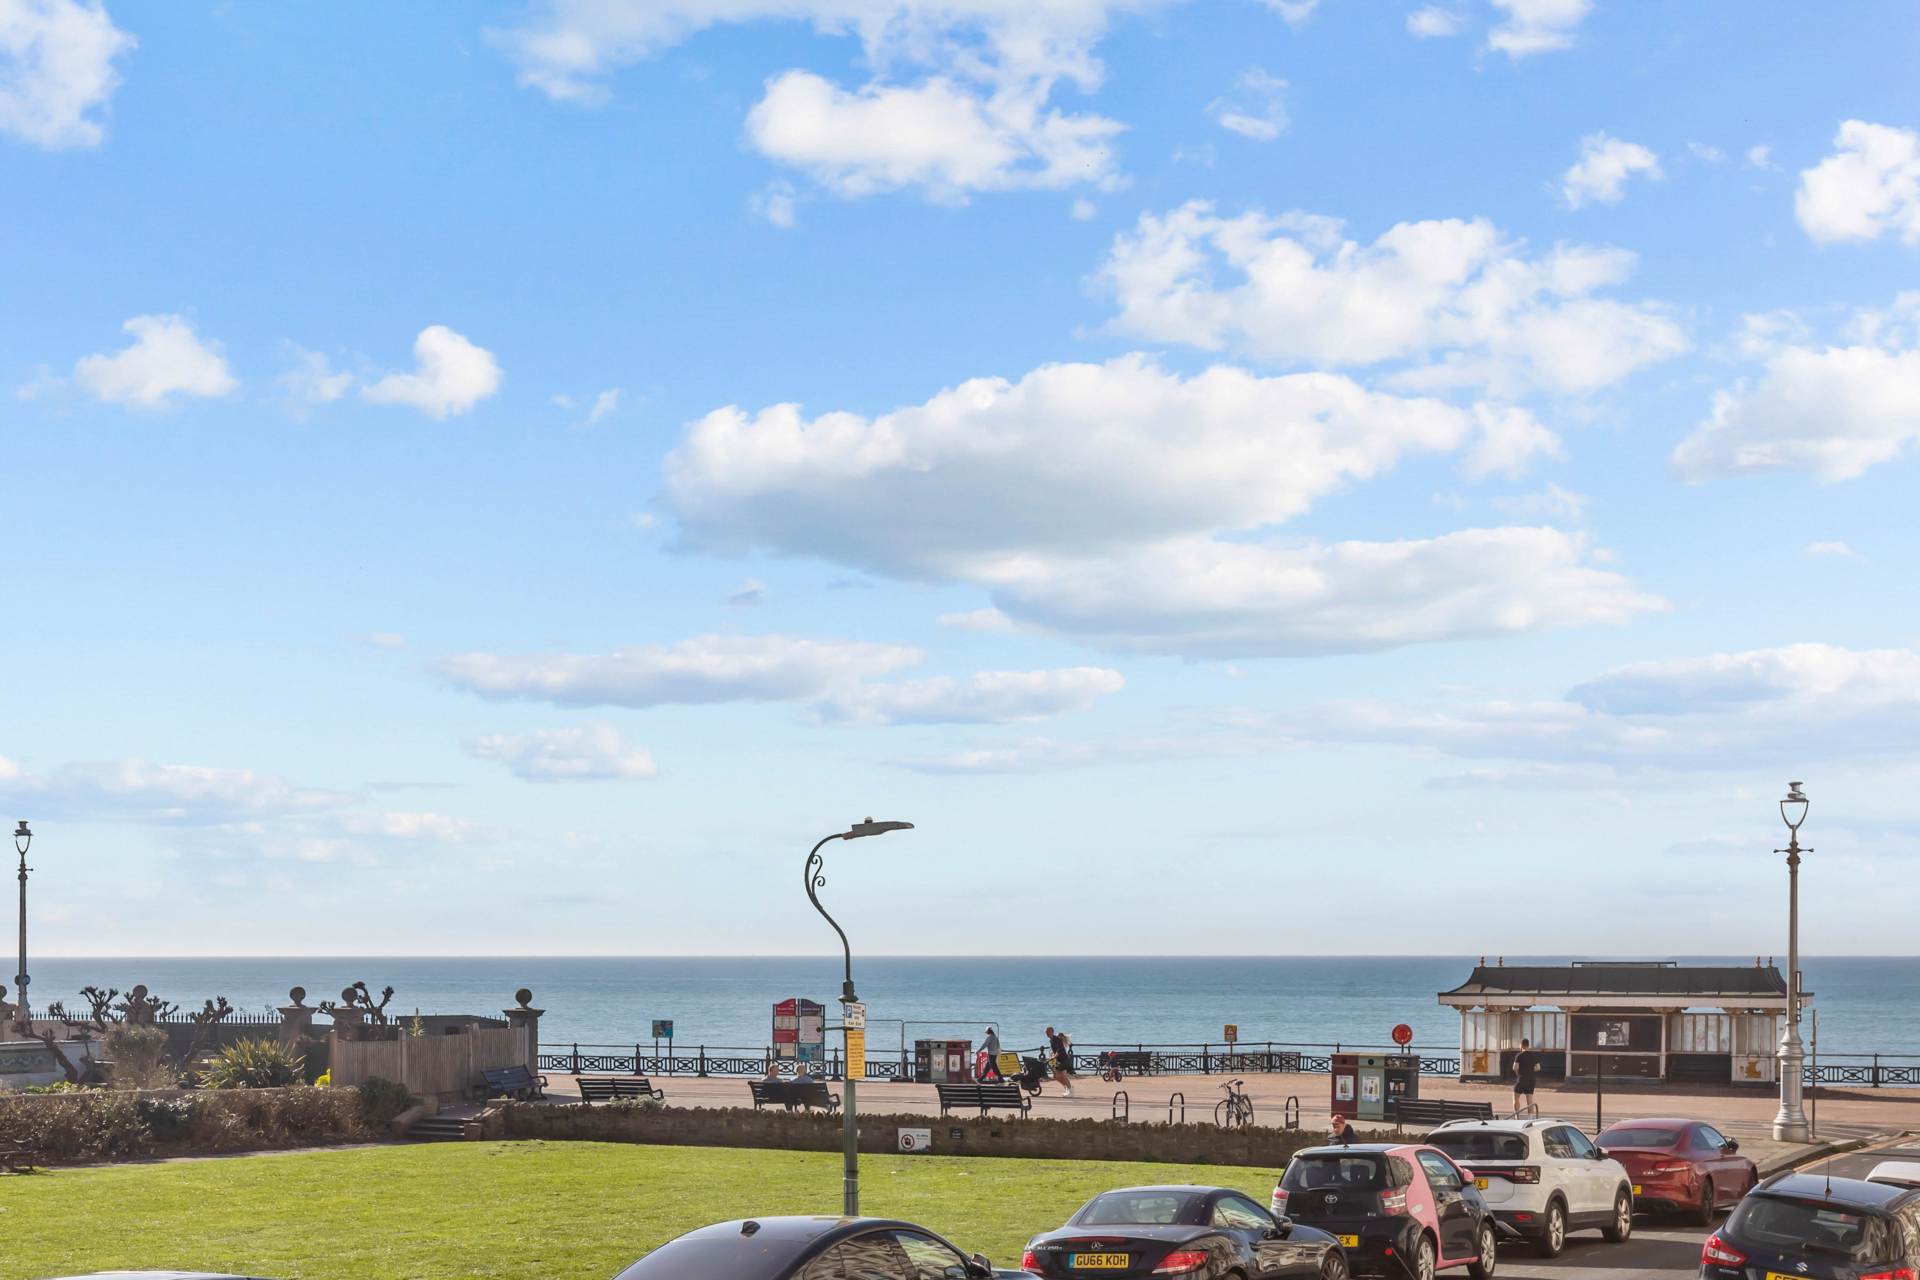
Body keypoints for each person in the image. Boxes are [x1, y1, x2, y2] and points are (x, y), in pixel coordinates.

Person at [1512, 1038, 1538, 1116]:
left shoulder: (1519, 1055)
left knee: (1515, 1097)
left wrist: (1517, 1073)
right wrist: (1531, 1070)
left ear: (1521, 1045)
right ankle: (1530, 1118)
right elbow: (1538, 1067)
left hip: (1522, 1079)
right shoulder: (1533, 1055)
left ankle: (1516, 1116)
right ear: (1528, 1045)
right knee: (1530, 1101)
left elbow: (1514, 1068)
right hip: (1531, 1081)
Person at [1046, 1025, 1074, 1097]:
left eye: (1048, 1032)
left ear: (1052, 1032)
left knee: (1063, 1075)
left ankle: (1070, 1090)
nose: (1046, 1033)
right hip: (1058, 1060)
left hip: (1063, 1059)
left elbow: (1059, 1050)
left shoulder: (1057, 1039)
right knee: (1055, 1076)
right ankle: (1067, 1087)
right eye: (1046, 1032)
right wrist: (1052, 1055)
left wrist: (1053, 1057)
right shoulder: (1051, 1040)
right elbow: (1055, 1050)